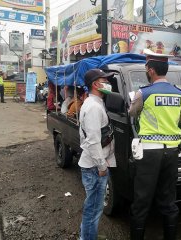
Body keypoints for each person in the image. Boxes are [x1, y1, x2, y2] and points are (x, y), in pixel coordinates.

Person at [128, 49, 181, 240]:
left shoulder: (143, 93)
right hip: (171, 154)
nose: (146, 70)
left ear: (151, 70)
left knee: (141, 202)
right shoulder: (180, 95)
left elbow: (132, 113)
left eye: (147, 67)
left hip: (149, 154)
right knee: (169, 202)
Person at [78, 69, 116, 240]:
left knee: (92, 208)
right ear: (95, 84)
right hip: (95, 167)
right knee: (93, 210)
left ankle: (86, 236)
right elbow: (93, 140)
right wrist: (101, 166)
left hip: (94, 164)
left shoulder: (96, 103)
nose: (108, 83)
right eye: (104, 80)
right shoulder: (93, 107)